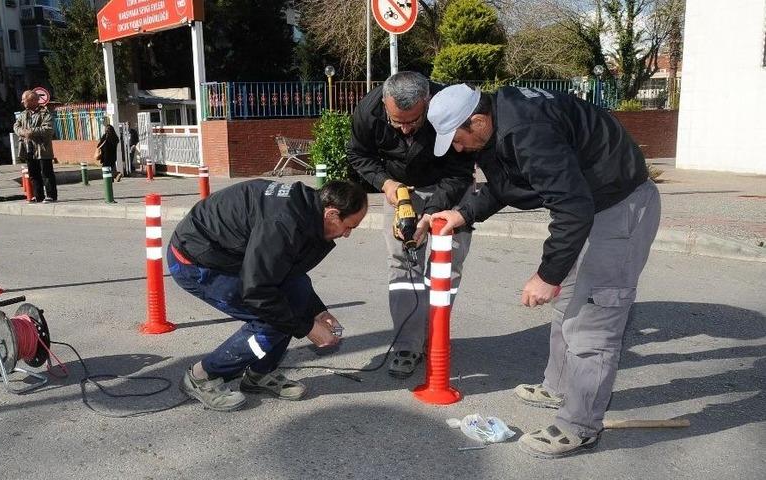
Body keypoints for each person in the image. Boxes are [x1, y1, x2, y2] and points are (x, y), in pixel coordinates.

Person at [426, 84, 661, 458]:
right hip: (590, 204)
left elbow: (572, 207)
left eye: (457, 139)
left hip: (618, 206)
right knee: (567, 301)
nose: (457, 148)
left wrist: (546, 275)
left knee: (594, 321)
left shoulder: (527, 130)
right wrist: (464, 212)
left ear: (478, 120)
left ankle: (579, 425)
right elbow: (508, 184)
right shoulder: (498, 124)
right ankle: (559, 386)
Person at [168, 179, 368, 411]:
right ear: (332, 214)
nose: (347, 235)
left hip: (230, 256)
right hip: (195, 262)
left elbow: (290, 272)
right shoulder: (283, 224)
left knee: (295, 303)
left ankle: (259, 375)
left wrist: (318, 312)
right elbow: (258, 293)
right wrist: (308, 329)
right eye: (349, 226)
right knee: (274, 320)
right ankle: (201, 376)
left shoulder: (307, 209)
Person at [346, 71, 474, 378]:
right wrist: (386, 183)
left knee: (447, 267)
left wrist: (430, 213)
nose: (404, 129)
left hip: (449, 186)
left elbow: (460, 172)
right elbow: (358, 154)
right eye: (396, 121)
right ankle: (407, 344)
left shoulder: (450, 106)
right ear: (386, 106)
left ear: (428, 102)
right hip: (401, 188)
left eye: (413, 121)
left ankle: (434, 334)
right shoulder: (369, 109)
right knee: (403, 266)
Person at [14, 90, 57, 203]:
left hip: (42, 148)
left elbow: (48, 129)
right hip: (28, 148)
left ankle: (51, 195)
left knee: (46, 173)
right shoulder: (23, 114)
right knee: (33, 173)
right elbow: (16, 126)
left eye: (25, 100)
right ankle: (38, 196)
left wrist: (31, 132)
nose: (22, 102)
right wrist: (23, 132)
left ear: (33, 100)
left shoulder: (45, 113)